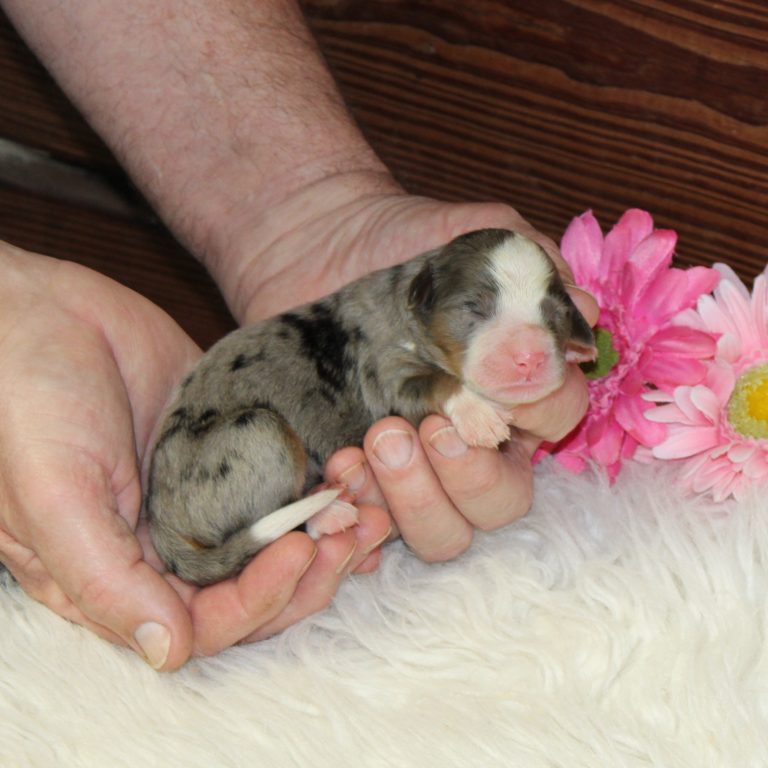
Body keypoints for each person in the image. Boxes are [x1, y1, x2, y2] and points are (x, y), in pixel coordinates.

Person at [0, 0, 598, 671]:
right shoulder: (391, 333)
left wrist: (309, 208)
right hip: (228, 450)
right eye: (477, 310)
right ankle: (250, 528)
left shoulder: (394, 305)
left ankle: (273, 521)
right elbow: (393, 380)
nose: (523, 348)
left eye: (545, 319)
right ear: (423, 298)